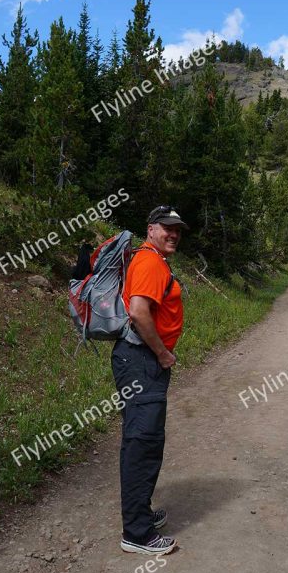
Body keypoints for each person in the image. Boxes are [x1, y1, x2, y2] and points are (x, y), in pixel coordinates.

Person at [111, 205, 188, 555]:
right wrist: (162, 354)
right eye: (167, 227)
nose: (173, 233)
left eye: (178, 229)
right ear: (151, 228)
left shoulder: (154, 259)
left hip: (142, 362)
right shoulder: (148, 261)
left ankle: (141, 514)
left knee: (145, 441)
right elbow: (139, 312)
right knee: (142, 443)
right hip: (142, 361)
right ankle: (137, 534)